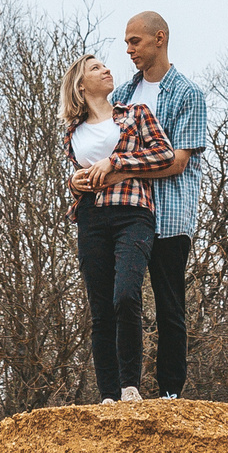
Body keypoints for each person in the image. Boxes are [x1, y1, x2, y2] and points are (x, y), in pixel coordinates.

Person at [59, 52, 176, 403]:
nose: (106, 69)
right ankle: (108, 393)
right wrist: (74, 183)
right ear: (81, 86)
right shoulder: (72, 133)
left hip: (133, 214)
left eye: (105, 65)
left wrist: (116, 161)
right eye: (96, 68)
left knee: (126, 295)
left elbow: (165, 155)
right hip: (92, 219)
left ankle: (130, 387)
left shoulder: (135, 114)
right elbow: (80, 174)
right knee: (100, 309)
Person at [106, 10, 208, 399]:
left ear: (159, 39)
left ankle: (169, 392)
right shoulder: (122, 97)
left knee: (169, 306)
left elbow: (179, 161)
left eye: (136, 41)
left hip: (169, 215)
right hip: (127, 215)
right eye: (127, 42)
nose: (129, 49)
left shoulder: (188, 94)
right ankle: (122, 388)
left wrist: (122, 172)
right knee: (122, 300)